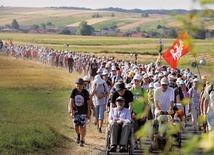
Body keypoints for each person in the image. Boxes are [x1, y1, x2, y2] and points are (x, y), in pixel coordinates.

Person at [68, 78, 91, 147]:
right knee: (76, 125)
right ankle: (78, 135)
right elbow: (71, 101)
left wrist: (88, 113)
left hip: (83, 111)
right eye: (78, 84)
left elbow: (88, 103)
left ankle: (82, 140)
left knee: (82, 125)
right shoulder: (74, 91)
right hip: (76, 111)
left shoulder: (85, 92)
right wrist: (71, 111)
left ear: (83, 85)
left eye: (80, 84)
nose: (79, 86)